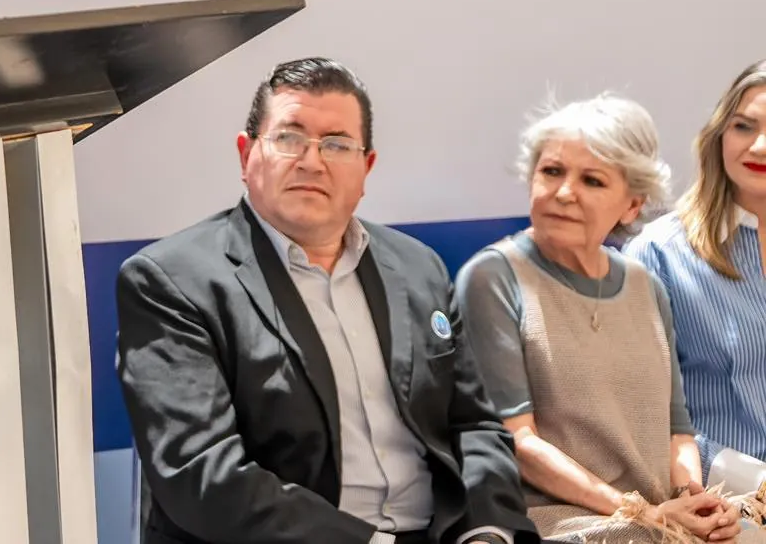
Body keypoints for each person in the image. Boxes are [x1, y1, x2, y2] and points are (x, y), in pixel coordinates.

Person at [115, 57, 539, 544]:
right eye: (289, 138)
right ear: (246, 155)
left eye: (337, 144)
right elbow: (203, 473)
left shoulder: (418, 267)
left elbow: (474, 426)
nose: (312, 162)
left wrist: (486, 534)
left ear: (366, 167)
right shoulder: (172, 281)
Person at [454, 94, 745, 543]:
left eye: (592, 180)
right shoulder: (492, 277)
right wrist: (644, 513)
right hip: (559, 523)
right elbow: (518, 444)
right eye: (551, 171)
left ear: (631, 206)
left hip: (655, 520)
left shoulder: (645, 283)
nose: (564, 192)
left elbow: (677, 431)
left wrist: (695, 501)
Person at [625, 63, 766, 494]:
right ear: (719, 134)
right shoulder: (659, 253)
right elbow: (643, 415)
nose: (759, 146)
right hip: (721, 497)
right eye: (744, 126)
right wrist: (751, 481)